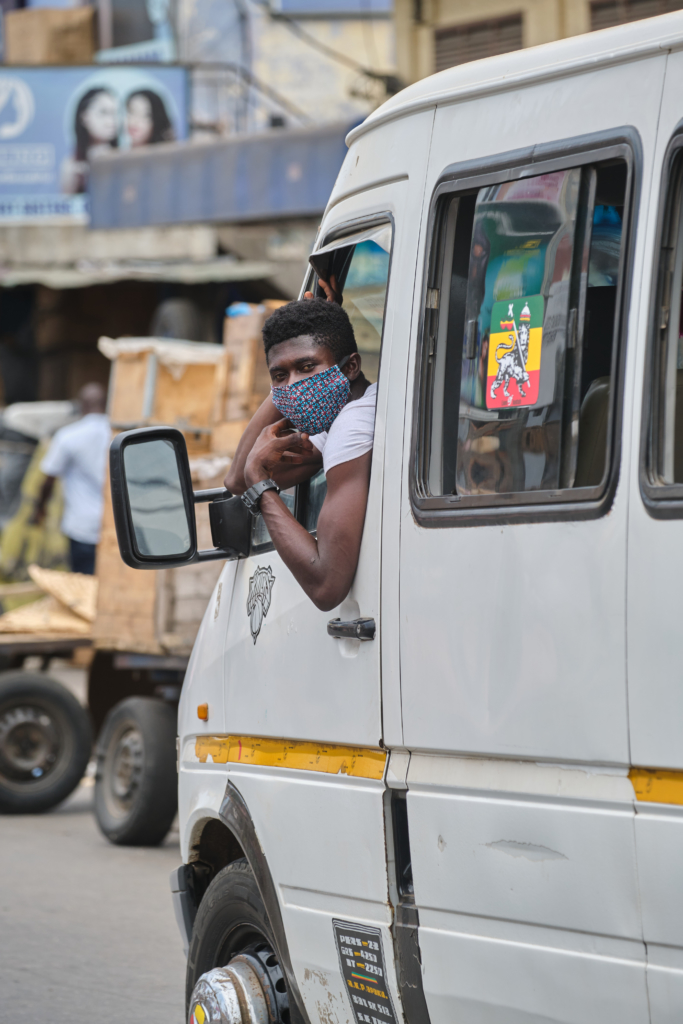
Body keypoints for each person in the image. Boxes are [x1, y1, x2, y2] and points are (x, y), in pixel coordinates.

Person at [225, 298, 376, 612]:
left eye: (307, 367)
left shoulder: (352, 426)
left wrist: (260, 485)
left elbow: (326, 587)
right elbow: (236, 478)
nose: (295, 385)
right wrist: (286, 388)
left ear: (350, 367)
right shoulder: (345, 409)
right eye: (280, 376)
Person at [33, 383, 110, 576]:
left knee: (82, 584)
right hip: (115, 525)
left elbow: (49, 479)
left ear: (81, 404)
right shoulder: (120, 434)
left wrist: (40, 509)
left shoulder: (69, 436)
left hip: (81, 526)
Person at [61, 88, 119, 195]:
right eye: (103, 113)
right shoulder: (73, 164)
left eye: (114, 113)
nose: (111, 121)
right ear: (84, 117)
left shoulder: (124, 157)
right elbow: (67, 204)